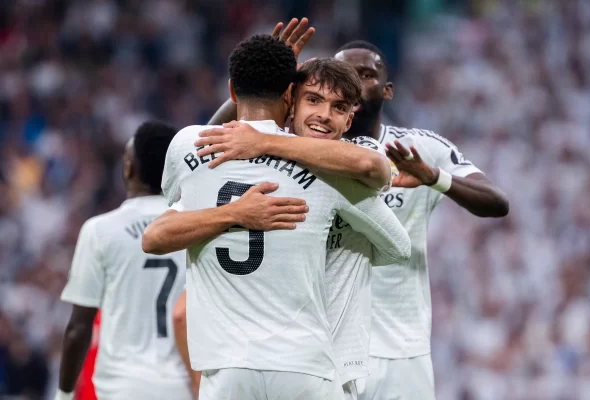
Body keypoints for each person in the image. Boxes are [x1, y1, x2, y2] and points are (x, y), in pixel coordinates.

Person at [143, 34, 411, 400]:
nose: (323, 114)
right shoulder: (332, 170)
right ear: (291, 97)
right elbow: (397, 244)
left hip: (226, 368)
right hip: (308, 364)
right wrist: (334, 241)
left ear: (232, 91)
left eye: (336, 106)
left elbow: (161, 224)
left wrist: (233, 211)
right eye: (313, 99)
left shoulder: (192, 146)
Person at [56, 121, 308, 400]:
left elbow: (79, 327)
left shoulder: (100, 231)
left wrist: (64, 394)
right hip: (185, 383)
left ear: (128, 168)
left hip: (122, 385)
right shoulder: (199, 224)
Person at [333, 41, 510, 400]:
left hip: (401, 352)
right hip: (326, 350)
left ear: (387, 90)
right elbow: (209, 140)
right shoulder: (303, 152)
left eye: (365, 75)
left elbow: (497, 202)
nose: (353, 84)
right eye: (343, 76)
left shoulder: (418, 149)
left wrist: (434, 178)